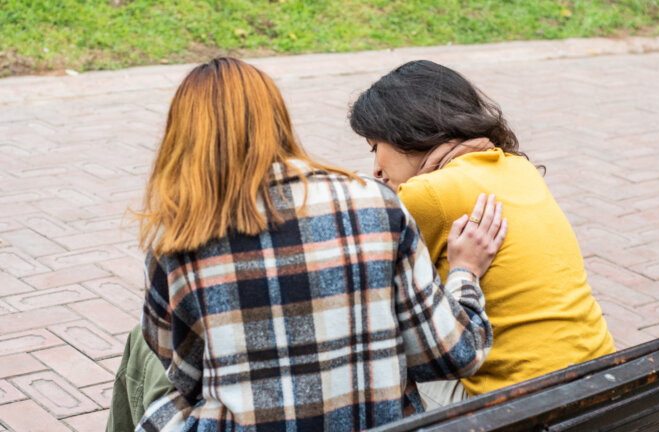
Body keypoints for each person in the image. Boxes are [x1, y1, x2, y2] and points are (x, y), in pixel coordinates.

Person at [108, 57, 507, 431]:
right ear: (277, 120)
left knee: (143, 367)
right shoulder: (377, 204)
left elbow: (183, 374)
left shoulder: (178, 241)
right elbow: (458, 353)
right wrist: (464, 274)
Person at [349, 59, 616, 409]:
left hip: (518, 402)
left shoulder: (426, 194)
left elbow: (370, 292)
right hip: (602, 374)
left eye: (374, 146)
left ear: (406, 131)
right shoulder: (517, 166)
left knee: (379, 365)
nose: (376, 168)